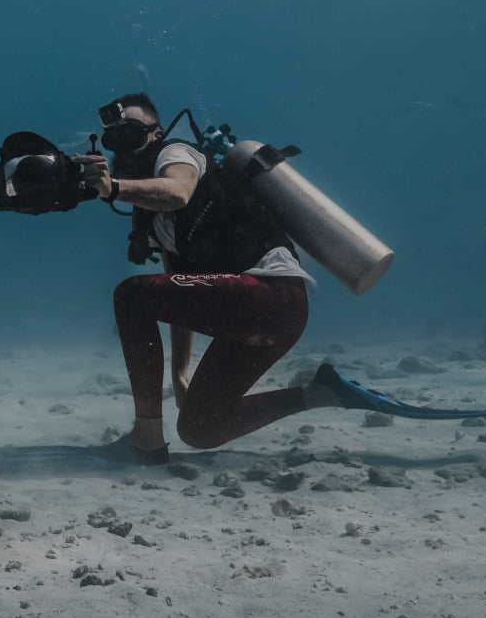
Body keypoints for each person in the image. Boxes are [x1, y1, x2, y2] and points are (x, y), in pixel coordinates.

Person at [74, 94, 372, 463]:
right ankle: (323, 393)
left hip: (273, 295)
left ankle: (146, 440)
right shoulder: (154, 219)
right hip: (261, 317)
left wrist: (114, 187)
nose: (123, 147)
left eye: (131, 134)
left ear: (156, 133)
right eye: (113, 140)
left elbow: (178, 192)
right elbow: (176, 288)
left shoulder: (176, 153)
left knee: (129, 295)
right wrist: (179, 374)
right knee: (200, 429)